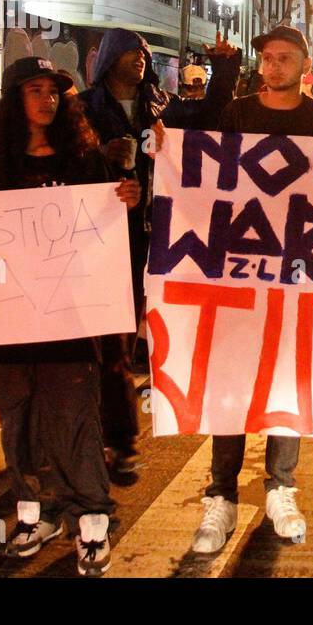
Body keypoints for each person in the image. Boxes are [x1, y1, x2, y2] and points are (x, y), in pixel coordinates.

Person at [0, 56, 142, 575]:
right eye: (34, 89)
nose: (46, 99)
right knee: (18, 417)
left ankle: (92, 516)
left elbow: (103, 230)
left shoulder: (84, 158)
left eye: (54, 92)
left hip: (71, 313)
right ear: (15, 99)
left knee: (73, 414)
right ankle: (34, 513)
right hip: (11, 312)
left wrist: (126, 201)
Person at [189, 24, 313, 554]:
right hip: (242, 263)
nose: (274, 66)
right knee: (233, 376)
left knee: (288, 373)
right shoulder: (238, 112)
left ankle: (281, 487)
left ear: (303, 66)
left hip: (300, 266)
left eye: (285, 58)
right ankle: (221, 494)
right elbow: (211, 176)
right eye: (267, 58)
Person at [79, 29, 239, 480]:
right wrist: (100, 160)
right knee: (110, 341)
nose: (141, 60)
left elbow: (210, 113)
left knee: (125, 340)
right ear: (111, 58)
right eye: (132, 53)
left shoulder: (161, 105)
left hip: (157, 233)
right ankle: (111, 438)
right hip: (102, 238)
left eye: (144, 54)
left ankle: (119, 437)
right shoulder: (86, 110)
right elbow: (67, 164)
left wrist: (224, 68)